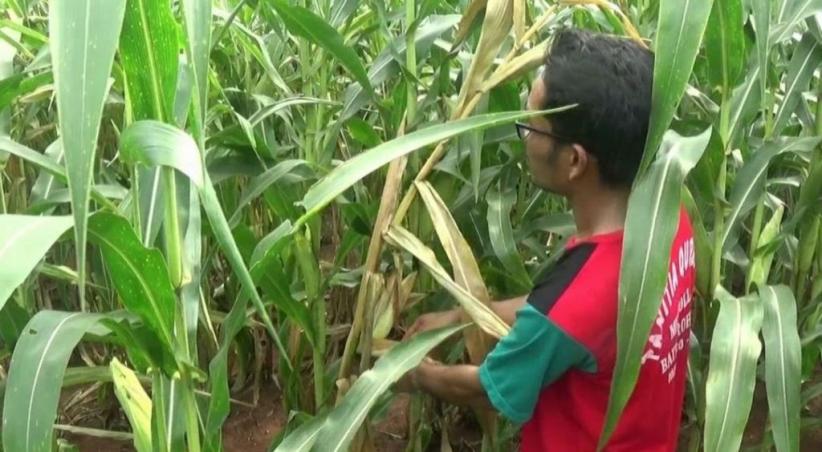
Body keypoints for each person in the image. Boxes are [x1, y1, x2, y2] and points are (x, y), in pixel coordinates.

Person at [395, 28, 696, 451]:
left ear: (574, 160)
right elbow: (567, 316)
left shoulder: (576, 302)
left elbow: (489, 386)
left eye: (531, 128)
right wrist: (464, 317)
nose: (525, 139)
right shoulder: (670, 222)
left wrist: (412, 370)